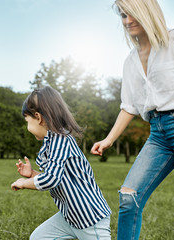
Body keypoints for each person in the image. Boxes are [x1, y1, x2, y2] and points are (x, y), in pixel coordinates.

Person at [90, 0, 174, 239]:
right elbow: (129, 106)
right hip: (158, 135)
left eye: (132, 14)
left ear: (147, 13)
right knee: (128, 196)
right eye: (123, 15)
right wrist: (108, 140)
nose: (127, 21)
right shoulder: (130, 61)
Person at [11, 86, 111, 240]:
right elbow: (56, 178)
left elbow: (50, 180)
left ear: (38, 117)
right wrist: (32, 174)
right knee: (38, 238)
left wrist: (24, 182)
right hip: (70, 217)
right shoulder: (52, 142)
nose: (27, 127)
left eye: (27, 121)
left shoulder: (61, 141)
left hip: (90, 218)